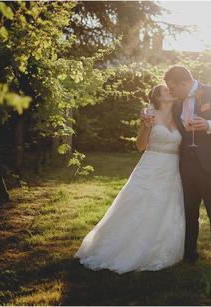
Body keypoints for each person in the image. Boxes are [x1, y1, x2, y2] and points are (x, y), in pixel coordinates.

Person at [74, 84, 185, 274]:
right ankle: (122, 247)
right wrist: (145, 126)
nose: (171, 91)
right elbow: (141, 145)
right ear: (157, 96)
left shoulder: (180, 116)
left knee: (166, 207)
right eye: (167, 90)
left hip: (172, 169)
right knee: (138, 203)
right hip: (150, 165)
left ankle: (160, 247)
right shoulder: (149, 114)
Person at [165, 65, 211, 276]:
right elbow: (158, 109)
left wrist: (208, 123)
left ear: (184, 83)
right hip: (187, 167)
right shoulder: (176, 103)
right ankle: (189, 256)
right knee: (189, 213)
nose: (171, 92)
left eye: (173, 88)